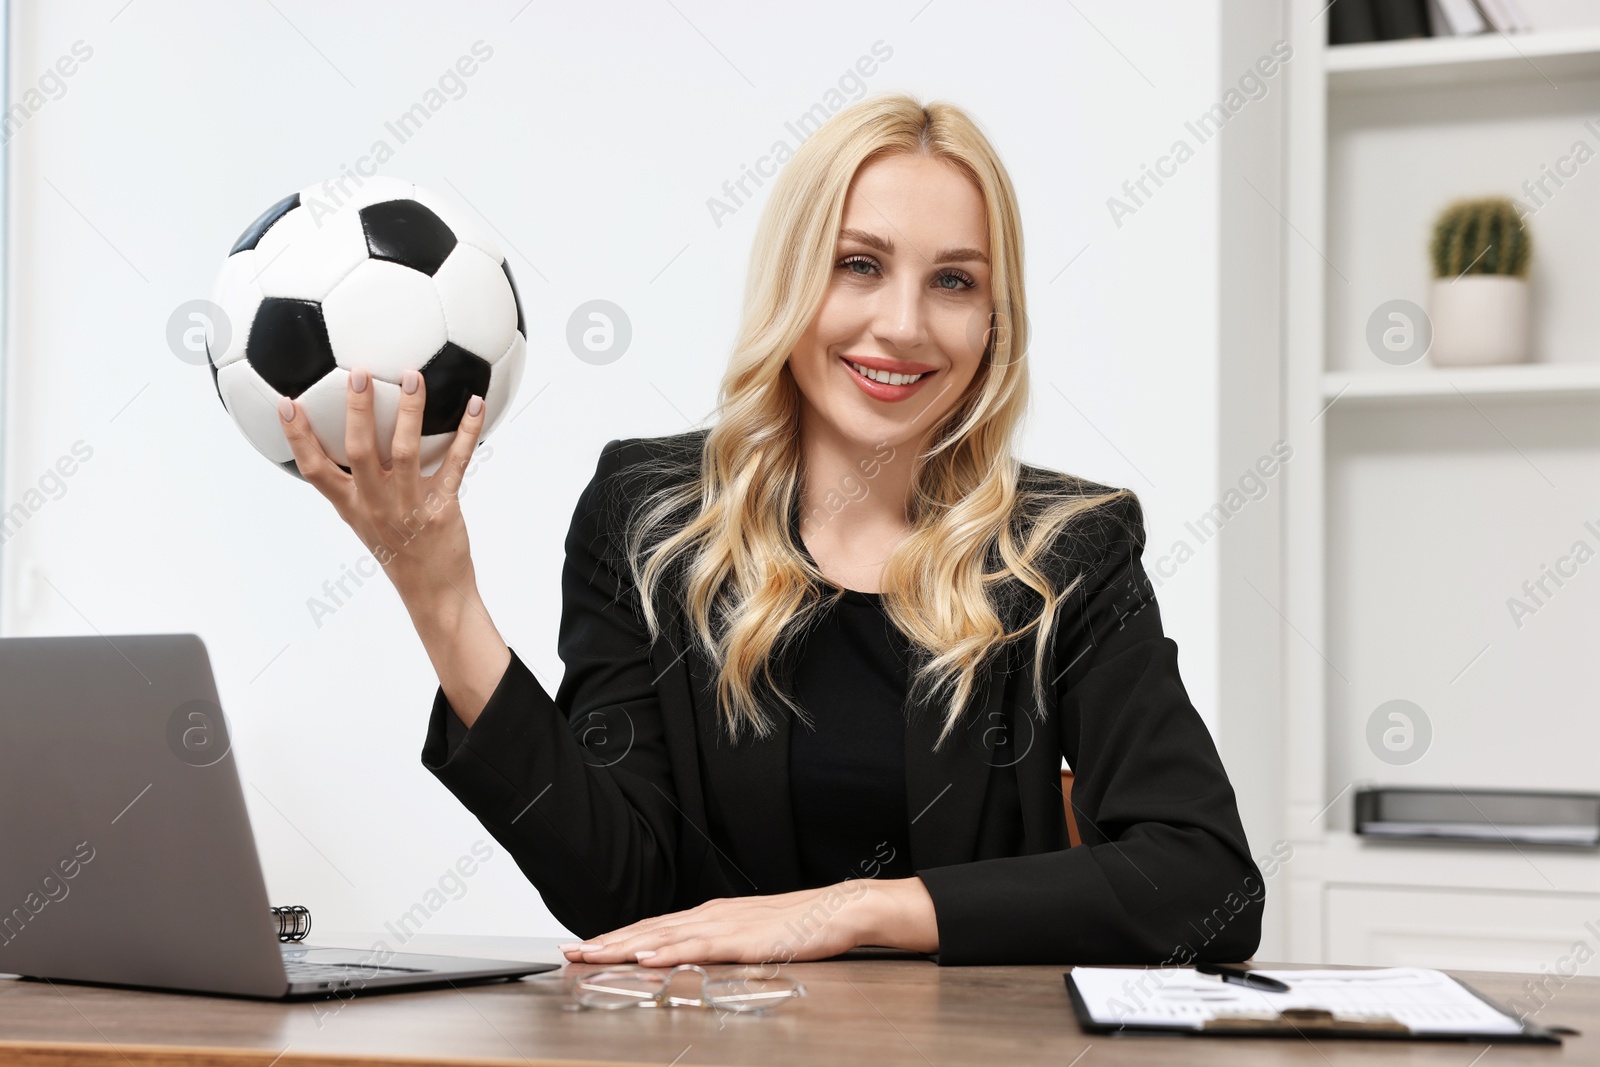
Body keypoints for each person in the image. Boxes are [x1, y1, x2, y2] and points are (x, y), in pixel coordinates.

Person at [276, 93, 1264, 968]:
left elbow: (1207, 882)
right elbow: (621, 893)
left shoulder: (1068, 548)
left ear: (994, 322)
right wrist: (438, 593)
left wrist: (854, 912)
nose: (904, 325)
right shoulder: (650, 516)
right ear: (791, 281)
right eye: (858, 265)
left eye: (954, 281)